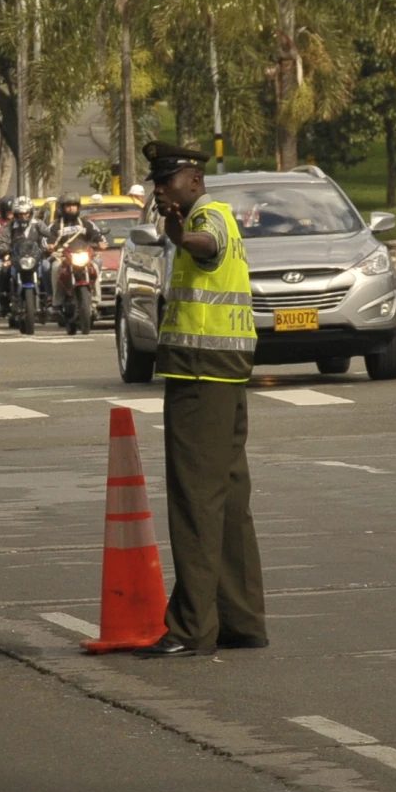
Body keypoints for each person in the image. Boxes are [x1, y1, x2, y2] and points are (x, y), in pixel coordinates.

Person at [137, 142, 267, 658]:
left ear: (193, 178)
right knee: (230, 497)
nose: (160, 191)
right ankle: (241, 618)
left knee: (196, 500)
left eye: (167, 181)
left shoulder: (208, 218)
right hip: (227, 371)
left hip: (199, 375)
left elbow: (202, 245)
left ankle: (192, 627)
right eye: (156, 184)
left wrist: (176, 233)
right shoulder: (222, 216)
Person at [50, 195, 105, 303]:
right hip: (62, 257)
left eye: (74, 205)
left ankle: (96, 299)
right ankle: (57, 301)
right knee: (55, 267)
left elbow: (96, 234)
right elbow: (47, 239)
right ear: (62, 208)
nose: (71, 208)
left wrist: (100, 242)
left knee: (95, 266)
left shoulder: (86, 223)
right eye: (68, 206)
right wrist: (49, 246)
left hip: (83, 255)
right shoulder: (55, 226)